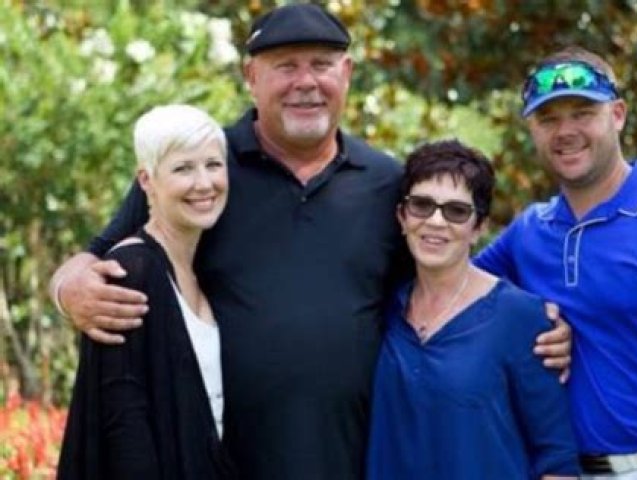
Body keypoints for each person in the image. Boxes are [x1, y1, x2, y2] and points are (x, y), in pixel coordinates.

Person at [49, 4, 571, 479]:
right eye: (286, 66)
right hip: (225, 464)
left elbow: (447, 281)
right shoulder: (205, 169)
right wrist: (67, 288)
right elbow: (105, 251)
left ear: (347, 74)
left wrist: (534, 327)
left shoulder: (386, 183)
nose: (306, 82)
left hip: (354, 461)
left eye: (321, 64)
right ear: (251, 77)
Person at [474, 45, 637, 479]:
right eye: (548, 118)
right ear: (532, 129)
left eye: (583, 112)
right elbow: (453, 298)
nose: (565, 131)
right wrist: (532, 325)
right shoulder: (530, 232)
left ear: (618, 114)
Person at [367, 140, 580, 479]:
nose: (436, 221)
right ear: (402, 217)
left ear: (478, 227)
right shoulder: (383, 307)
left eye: (456, 211)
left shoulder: (520, 316)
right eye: (421, 205)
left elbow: (557, 459)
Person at [58, 104, 236, 479]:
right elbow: (123, 426)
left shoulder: (202, 269)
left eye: (213, 165)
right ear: (146, 181)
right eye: (183, 169)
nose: (204, 183)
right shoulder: (131, 272)